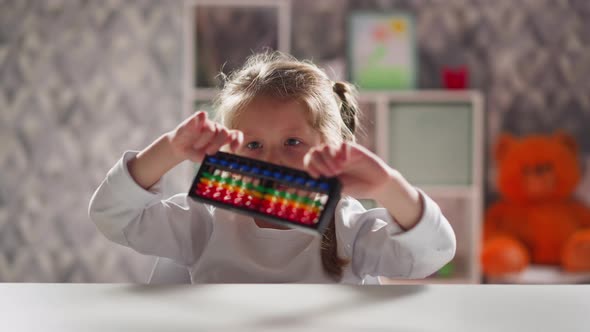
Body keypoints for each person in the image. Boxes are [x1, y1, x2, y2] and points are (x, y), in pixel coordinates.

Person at [88, 52, 456, 284]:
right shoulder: (203, 219)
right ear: (230, 151)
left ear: (333, 150)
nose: (270, 159)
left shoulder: (351, 228)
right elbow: (113, 217)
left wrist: (386, 185)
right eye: (253, 144)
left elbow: (431, 255)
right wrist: (170, 150)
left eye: (292, 142)